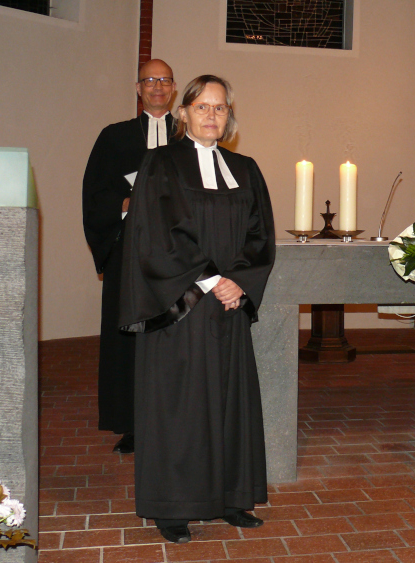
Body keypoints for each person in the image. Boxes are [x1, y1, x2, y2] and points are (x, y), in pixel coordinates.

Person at [118, 75, 276, 544]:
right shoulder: (161, 163)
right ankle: (174, 506)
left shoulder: (245, 168)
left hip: (228, 306)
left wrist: (238, 283)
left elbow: (260, 236)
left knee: (229, 401)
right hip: (179, 308)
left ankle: (231, 497)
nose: (212, 115)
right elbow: (156, 232)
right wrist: (210, 279)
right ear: (184, 114)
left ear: (230, 117)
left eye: (221, 108)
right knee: (179, 407)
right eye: (203, 107)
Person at [82, 59, 177, 454]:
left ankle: (177, 417)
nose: (157, 86)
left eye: (165, 80)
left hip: (177, 254)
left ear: (173, 88)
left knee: (173, 335)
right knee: (130, 337)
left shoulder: (192, 134)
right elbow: (94, 193)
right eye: (150, 80)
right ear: (138, 88)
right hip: (129, 252)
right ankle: (134, 424)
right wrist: (128, 202)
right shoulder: (114, 136)